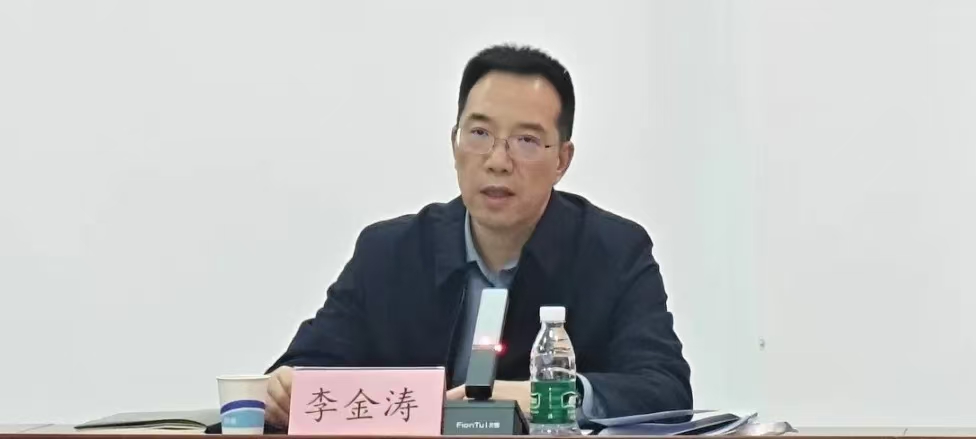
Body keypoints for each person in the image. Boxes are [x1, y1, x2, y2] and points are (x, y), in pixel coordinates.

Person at [263, 44, 692, 427]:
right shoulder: (388, 253)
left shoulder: (613, 253)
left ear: (562, 160)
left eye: (526, 140)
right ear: (454, 143)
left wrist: (545, 398)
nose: (498, 161)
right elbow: (303, 372)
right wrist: (285, 389)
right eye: (480, 134)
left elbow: (666, 390)